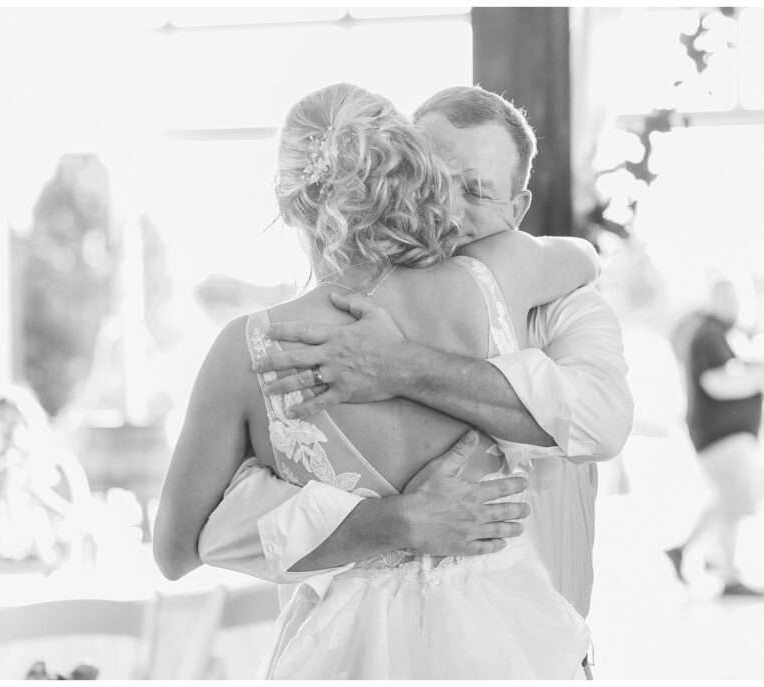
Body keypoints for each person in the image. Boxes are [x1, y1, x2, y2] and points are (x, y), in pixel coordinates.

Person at [154, 82, 604, 678]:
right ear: (411, 167)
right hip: (507, 639)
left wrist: (358, 519)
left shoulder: (247, 350)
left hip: (343, 653)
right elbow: (585, 257)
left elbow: (175, 551)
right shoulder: (497, 273)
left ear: (291, 205)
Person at [666, 278, 764, 597]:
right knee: (733, 502)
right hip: (722, 436)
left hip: (725, 436)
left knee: (727, 501)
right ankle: (728, 574)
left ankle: (690, 552)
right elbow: (718, 382)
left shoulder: (719, 334)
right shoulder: (710, 335)